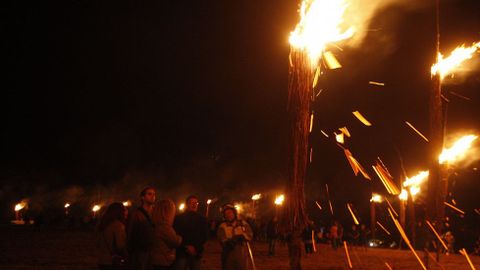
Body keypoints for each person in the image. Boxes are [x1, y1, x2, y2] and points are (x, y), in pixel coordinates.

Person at [173, 195, 208, 270]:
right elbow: (176, 234)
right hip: (182, 253)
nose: (194, 205)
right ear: (187, 204)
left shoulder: (202, 219)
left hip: (197, 252)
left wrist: (195, 248)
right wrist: (186, 246)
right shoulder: (178, 218)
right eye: (191, 203)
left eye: (196, 203)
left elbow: (204, 236)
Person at [127, 187, 156, 270]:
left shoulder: (156, 213)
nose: (153, 196)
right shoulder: (136, 214)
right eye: (149, 194)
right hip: (140, 251)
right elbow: (130, 232)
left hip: (153, 250)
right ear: (142, 197)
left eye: (154, 194)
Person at [217, 204, 254, 270]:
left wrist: (243, 236)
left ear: (234, 213)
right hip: (228, 254)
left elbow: (250, 234)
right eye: (226, 214)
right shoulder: (222, 226)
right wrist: (230, 241)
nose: (228, 215)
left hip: (241, 254)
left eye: (230, 213)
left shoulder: (242, 224)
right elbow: (222, 239)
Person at [150, 199, 183, 270]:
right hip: (163, 261)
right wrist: (179, 237)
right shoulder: (164, 227)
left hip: (155, 259)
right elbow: (176, 241)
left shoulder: (155, 224)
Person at [96, 202, 128, 270]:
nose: (126, 212)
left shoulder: (102, 225)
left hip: (102, 260)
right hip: (114, 262)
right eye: (124, 210)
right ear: (119, 212)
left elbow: (98, 243)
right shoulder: (118, 225)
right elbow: (121, 246)